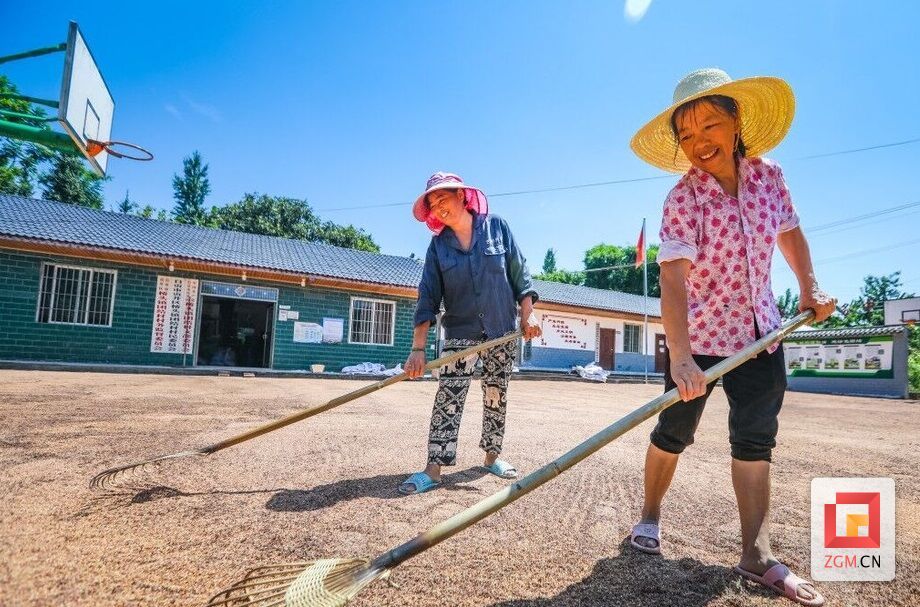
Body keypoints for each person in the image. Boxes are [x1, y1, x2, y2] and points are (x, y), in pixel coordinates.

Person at [628, 68, 836, 606]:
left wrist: (809, 287)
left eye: (710, 127)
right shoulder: (683, 199)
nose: (699, 144)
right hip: (697, 340)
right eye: (687, 136)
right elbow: (671, 278)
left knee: (755, 440)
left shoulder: (770, 178)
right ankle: (649, 516)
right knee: (672, 432)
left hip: (762, 334)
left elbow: (789, 232)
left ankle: (755, 554)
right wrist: (680, 359)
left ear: (736, 120)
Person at [398, 172, 541, 495]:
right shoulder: (438, 247)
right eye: (432, 204)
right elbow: (428, 296)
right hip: (460, 332)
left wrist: (528, 315)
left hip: (500, 329)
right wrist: (418, 349)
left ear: (462, 196)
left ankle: (492, 457)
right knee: (448, 397)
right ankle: (433, 469)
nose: (438, 207)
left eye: (442, 198)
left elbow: (520, 273)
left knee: (496, 394)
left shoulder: (497, 228)